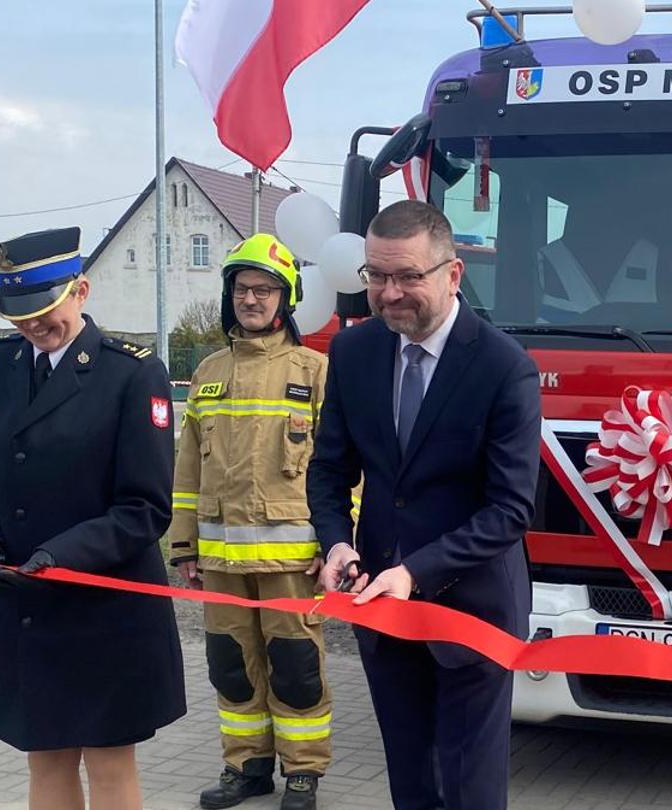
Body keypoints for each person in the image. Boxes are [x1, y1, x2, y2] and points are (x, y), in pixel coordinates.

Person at [307, 201, 541, 809]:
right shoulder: (353, 354)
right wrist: (336, 543)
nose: (390, 294)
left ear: (452, 273)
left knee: (468, 792)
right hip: (383, 615)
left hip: (473, 614)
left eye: (408, 276)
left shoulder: (504, 368)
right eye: (377, 276)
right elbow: (329, 470)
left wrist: (415, 572)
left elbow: (510, 509)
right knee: (411, 787)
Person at [0, 226, 184, 809]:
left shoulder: (130, 373)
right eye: (19, 316)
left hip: (103, 602)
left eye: (43, 311)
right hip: (23, 603)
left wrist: (58, 556)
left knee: (108, 760)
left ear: (80, 290)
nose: (33, 326)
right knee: (46, 756)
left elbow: (144, 507)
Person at [168, 234, 332, 810]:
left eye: (264, 289)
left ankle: (304, 772)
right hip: (220, 562)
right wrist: (183, 546)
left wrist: (336, 545)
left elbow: (343, 470)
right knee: (231, 667)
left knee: (296, 669)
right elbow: (188, 467)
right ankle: (247, 768)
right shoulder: (209, 373)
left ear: (286, 298)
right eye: (242, 288)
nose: (251, 299)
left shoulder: (316, 371)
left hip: (293, 562)